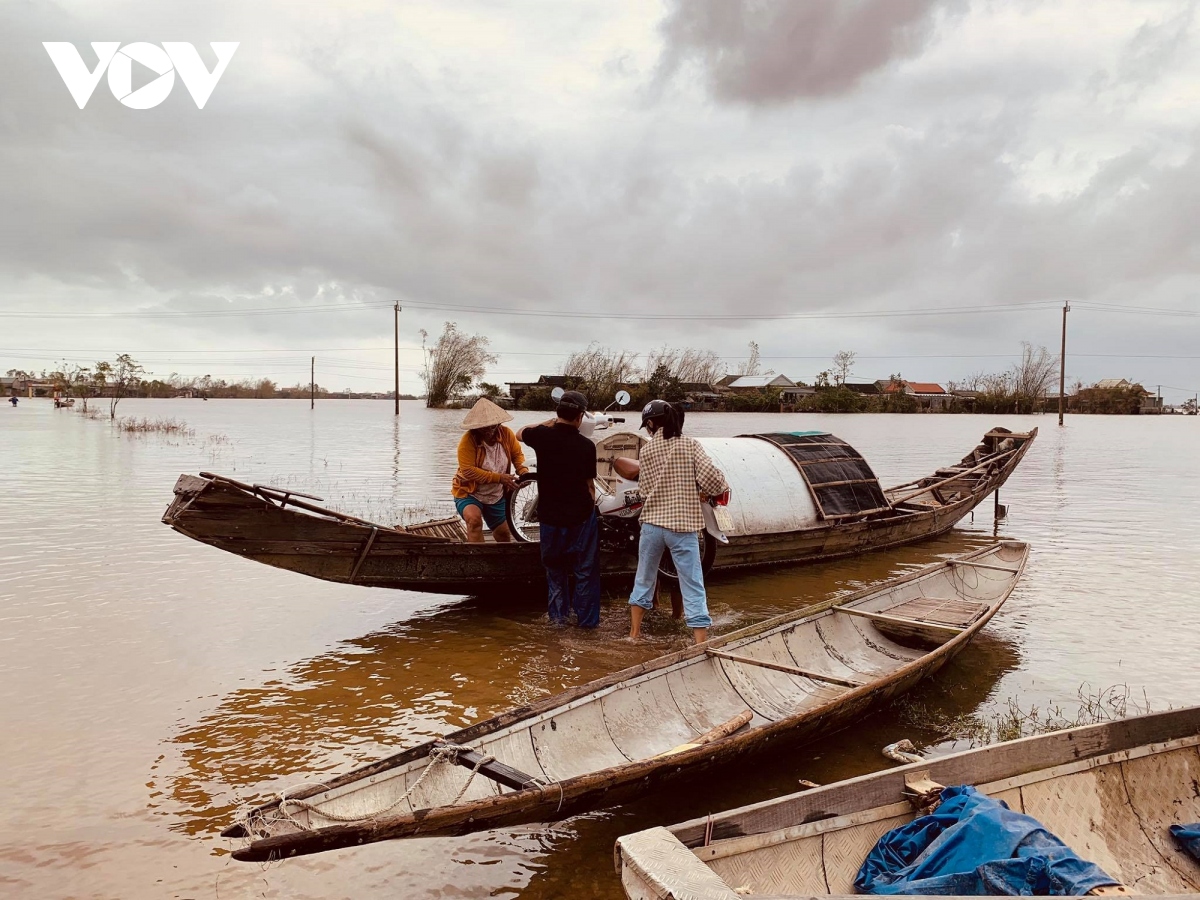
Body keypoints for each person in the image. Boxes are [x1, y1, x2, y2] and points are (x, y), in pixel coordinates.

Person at [627, 400, 728, 644]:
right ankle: (700, 643)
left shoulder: (647, 451)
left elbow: (645, 490)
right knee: (692, 584)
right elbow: (713, 481)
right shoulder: (690, 445)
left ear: (651, 423)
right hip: (682, 527)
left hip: (651, 525)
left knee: (644, 579)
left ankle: (634, 636)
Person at [517, 390, 600, 627]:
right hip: (580, 517)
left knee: (555, 570)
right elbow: (590, 486)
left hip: (550, 517)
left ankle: (558, 622)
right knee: (585, 571)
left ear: (558, 412)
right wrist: (590, 508)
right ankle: (587, 625)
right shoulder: (587, 446)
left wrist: (549, 423)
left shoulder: (542, 436)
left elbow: (519, 433)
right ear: (580, 417)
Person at [452, 397, 528, 543]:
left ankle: (502, 564)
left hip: (496, 494)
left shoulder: (506, 434)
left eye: (492, 426)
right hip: (470, 492)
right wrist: (500, 478)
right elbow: (468, 471)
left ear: (498, 423)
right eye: (484, 427)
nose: (489, 430)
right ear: (476, 427)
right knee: (474, 522)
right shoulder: (468, 441)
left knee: (503, 533)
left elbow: (517, 455)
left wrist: (523, 472)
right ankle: (478, 563)